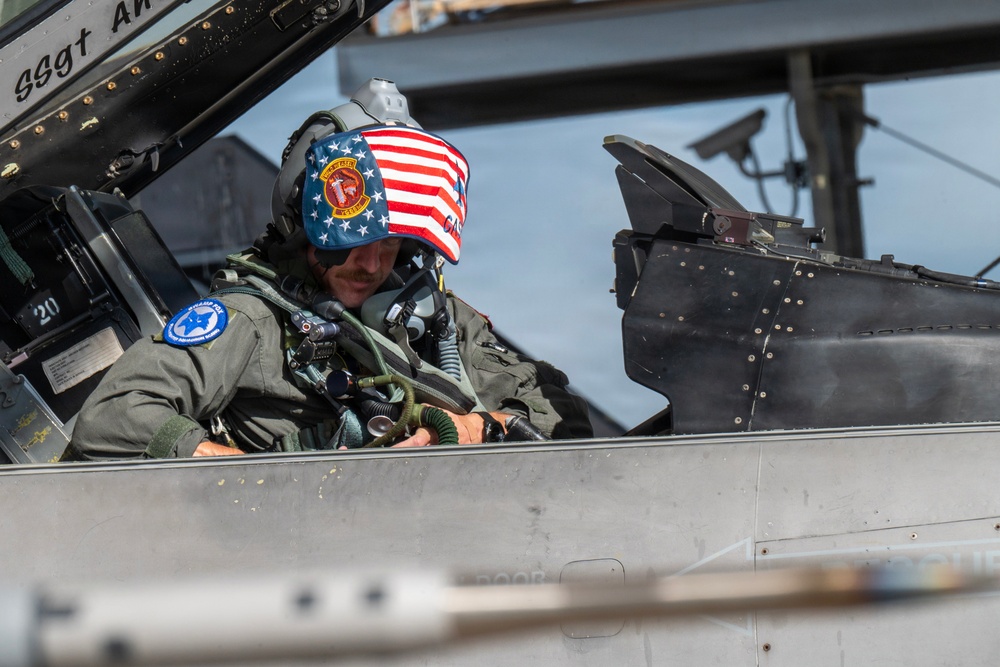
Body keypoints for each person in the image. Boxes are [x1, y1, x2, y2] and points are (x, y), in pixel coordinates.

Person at [63, 79, 592, 460]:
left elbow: (563, 421)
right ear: (303, 224)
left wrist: (479, 428)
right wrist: (245, 479)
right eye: (353, 239)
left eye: (391, 244)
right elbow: (115, 415)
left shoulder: (438, 319)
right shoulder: (251, 320)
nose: (370, 264)